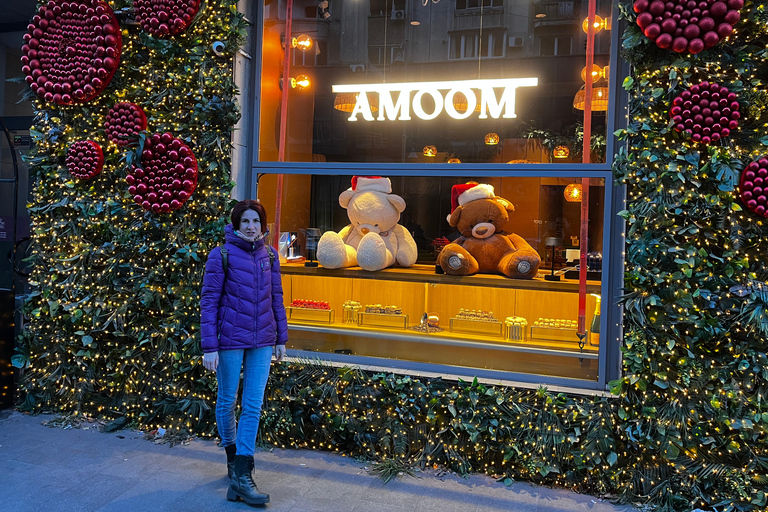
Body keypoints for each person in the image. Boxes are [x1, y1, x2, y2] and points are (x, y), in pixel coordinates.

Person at [200, 200, 288, 505]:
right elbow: (209, 303)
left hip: (263, 339)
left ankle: (242, 473)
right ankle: (231, 456)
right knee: (227, 400)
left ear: (263, 225)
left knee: (252, 405)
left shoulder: (271, 256)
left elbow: (276, 299)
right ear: (236, 224)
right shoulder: (220, 255)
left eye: (256, 221)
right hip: (229, 340)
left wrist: (281, 338)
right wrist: (209, 346)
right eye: (246, 221)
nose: (252, 227)